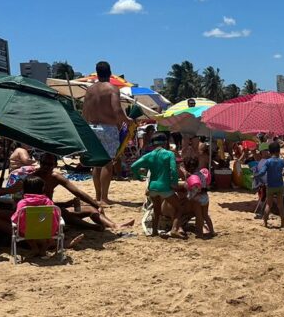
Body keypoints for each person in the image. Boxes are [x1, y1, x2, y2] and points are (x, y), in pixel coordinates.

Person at [34, 153, 131, 232]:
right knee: (63, 211)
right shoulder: (34, 179)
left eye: (49, 164)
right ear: (40, 163)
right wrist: (65, 204)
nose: (46, 166)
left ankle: (114, 225)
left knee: (91, 209)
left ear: (55, 165)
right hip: (41, 215)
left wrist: (96, 204)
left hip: (53, 208)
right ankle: (92, 227)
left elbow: (77, 192)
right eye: (44, 163)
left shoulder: (55, 177)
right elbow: (37, 204)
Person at [82, 61, 128, 206]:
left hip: (91, 127)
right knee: (107, 163)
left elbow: (84, 112)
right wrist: (128, 120)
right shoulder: (111, 88)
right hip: (107, 127)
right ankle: (104, 198)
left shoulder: (89, 90)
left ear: (97, 72)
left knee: (96, 163)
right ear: (110, 73)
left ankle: (97, 196)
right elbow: (117, 110)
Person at [131, 133, 182, 238]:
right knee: (179, 208)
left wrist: (138, 176)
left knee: (156, 209)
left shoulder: (148, 155)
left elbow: (133, 166)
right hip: (165, 187)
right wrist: (174, 183)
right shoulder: (169, 154)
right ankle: (174, 229)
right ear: (165, 142)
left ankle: (154, 231)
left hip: (153, 187)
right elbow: (173, 170)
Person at [10, 175, 63, 257]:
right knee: (50, 230)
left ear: (24, 189)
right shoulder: (48, 201)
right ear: (42, 188)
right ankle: (43, 249)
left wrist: (13, 219)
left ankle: (34, 248)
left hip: (28, 231)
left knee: (22, 228)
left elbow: (17, 218)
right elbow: (55, 214)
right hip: (48, 230)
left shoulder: (23, 203)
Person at [260, 141, 284, 228]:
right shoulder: (281, 161)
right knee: (280, 205)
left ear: (269, 152)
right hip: (279, 186)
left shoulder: (268, 162)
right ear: (279, 151)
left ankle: (265, 223)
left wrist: (256, 175)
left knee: (268, 205)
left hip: (270, 186)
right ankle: (282, 223)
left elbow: (262, 172)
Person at [182, 157, 214, 238]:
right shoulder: (201, 174)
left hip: (197, 198)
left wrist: (188, 197)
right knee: (206, 215)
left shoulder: (192, 177)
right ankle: (212, 231)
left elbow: (194, 190)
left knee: (199, 216)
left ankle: (200, 233)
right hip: (205, 197)